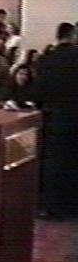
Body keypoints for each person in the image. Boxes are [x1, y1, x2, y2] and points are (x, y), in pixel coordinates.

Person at [32, 22, 78, 219]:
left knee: (54, 164)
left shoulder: (46, 59)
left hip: (54, 118)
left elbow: (38, 91)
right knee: (73, 162)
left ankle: (53, 207)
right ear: (73, 35)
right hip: (75, 117)